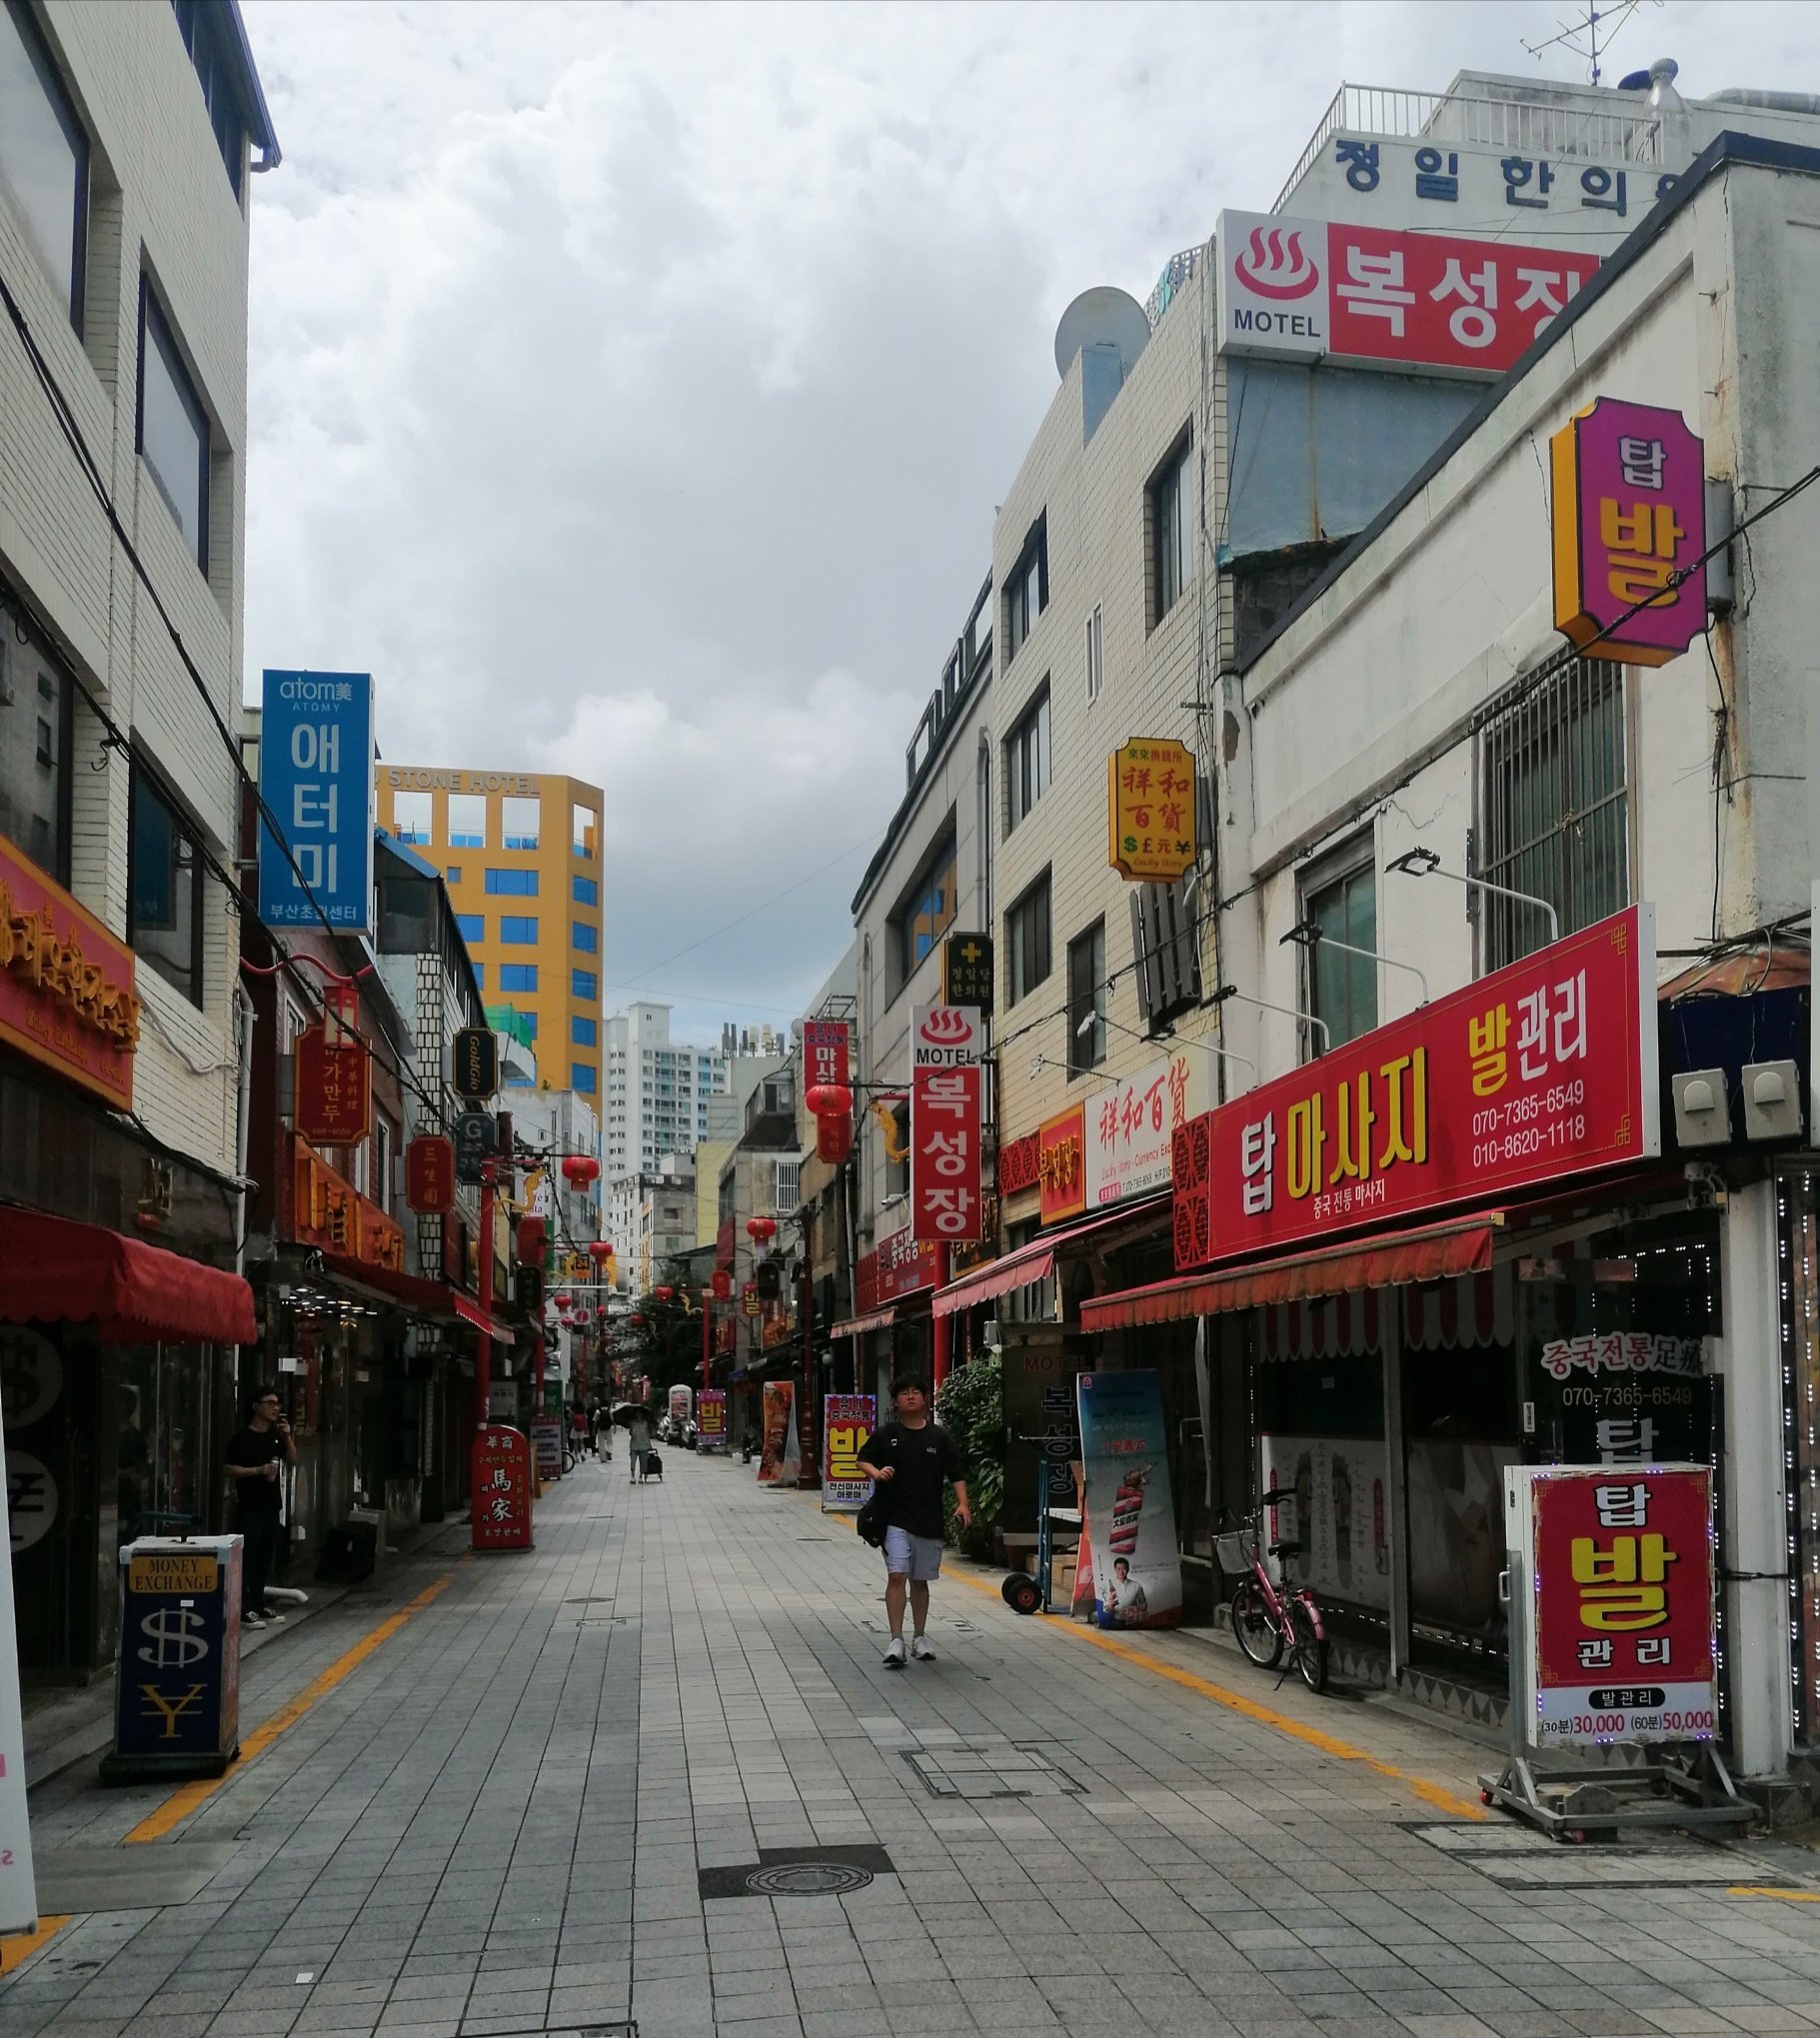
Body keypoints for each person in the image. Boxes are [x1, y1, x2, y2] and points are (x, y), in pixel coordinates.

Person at [855, 1373, 969, 1669]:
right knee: (897, 1575)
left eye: (915, 1392)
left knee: (920, 1581)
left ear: (925, 1399)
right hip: (894, 1518)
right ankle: (896, 1640)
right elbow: (862, 1459)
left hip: (929, 1519)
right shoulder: (886, 1434)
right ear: (896, 1401)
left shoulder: (939, 1437)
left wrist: (963, 1505)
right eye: (904, 1392)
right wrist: (876, 1473)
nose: (910, 1396)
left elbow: (956, 1473)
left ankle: (919, 1636)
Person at [225, 1386, 295, 1630]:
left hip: (271, 1506)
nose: (275, 1408)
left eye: (278, 1404)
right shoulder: (242, 1438)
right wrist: (257, 1471)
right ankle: (244, 1608)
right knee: (249, 1558)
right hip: (250, 1507)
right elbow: (228, 1469)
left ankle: (258, 1602)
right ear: (256, 1406)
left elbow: (293, 1460)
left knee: (265, 1558)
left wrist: (287, 1437)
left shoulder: (275, 1437)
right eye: (270, 1403)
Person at [627, 1405, 652, 1483]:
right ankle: (632, 1476)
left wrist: (649, 1445)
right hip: (634, 1444)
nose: (638, 1415)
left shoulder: (645, 1423)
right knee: (633, 1461)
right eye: (637, 1413)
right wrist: (632, 1431)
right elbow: (630, 1433)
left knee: (643, 1462)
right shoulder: (632, 1423)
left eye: (640, 1413)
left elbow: (648, 1434)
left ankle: (641, 1476)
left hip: (644, 1444)